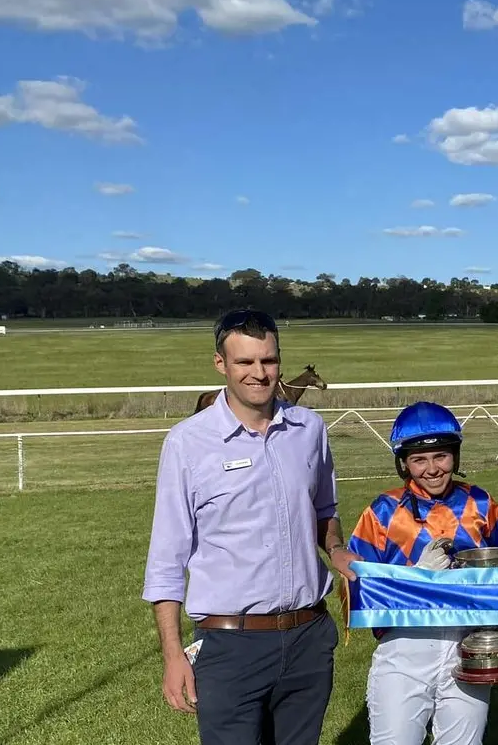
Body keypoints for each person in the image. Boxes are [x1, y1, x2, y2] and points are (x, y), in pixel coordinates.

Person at [142, 308, 360, 745]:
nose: (259, 374)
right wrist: (172, 655)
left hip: (308, 638)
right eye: (245, 362)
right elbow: (166, 562)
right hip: (229, 646)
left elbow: (323, 510)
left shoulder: (309, 429)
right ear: (221, 364)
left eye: (269, 360)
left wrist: (334, 548)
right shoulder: (187, 443)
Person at [348, 400, 498, 745]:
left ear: (455, 455)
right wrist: (416, 576)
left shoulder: (480, 503)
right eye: (419, 459)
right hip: (404, 649)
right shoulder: (382, 511)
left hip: (469, 645)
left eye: (441, 456)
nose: (432, 469)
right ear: (404, 464)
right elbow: (357, 590)